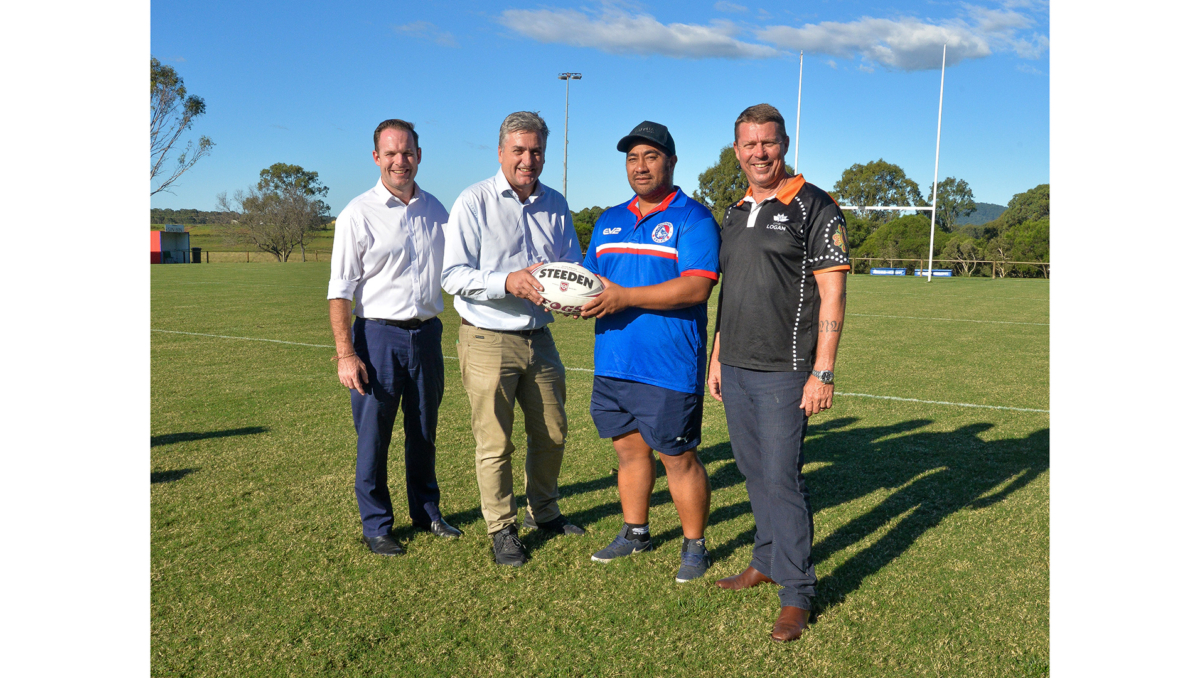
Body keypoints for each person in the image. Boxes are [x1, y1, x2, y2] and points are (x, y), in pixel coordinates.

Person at [707, 104, 850, 641]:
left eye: (768, 143)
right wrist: (719, 356)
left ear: (783, 144)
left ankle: (797, 592)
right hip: (738, 366)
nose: (759, 153)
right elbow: (729, 291)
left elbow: (833, 291)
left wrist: (824, 371)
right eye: (749, 144)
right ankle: (764, 560)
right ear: (736, 150)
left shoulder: (816, 206)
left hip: (787, 370)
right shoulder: (734, 210)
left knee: (782, 479)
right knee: (752, 472)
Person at [442, 111, 586, 568]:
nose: (528, 159)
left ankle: (542, 512)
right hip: (486, 337)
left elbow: (570, 266)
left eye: (536, 151)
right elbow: (453, 275)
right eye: (519, 150)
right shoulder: (474, 201)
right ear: (501, 151)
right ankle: (501, 528)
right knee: (495, 442)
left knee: (553, 432)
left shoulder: (556, 203)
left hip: (539, 337)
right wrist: (509, 282)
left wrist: (570, 295)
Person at [579, 121, 720, 583]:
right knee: (628, 453)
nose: (640, 167)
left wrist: (625, 298)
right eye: (632, 158)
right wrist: (563, 294)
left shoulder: (692, 218)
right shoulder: (609, 218)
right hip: (614, 362)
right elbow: (590, 280)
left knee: (678, 459)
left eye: (651, 157)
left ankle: (694, 545)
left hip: (669, 366)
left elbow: (697, 287)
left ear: (671, 162)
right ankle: (635, 532)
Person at [328, 119, 462, 558]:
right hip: (376, 337)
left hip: (426, 335)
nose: (399, 161)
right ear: (376, 158)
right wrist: (346, 354)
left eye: (407, 153)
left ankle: (427, 513)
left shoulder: (436, 209)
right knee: (374, 436)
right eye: (390, 154)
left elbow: (459, 267)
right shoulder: (357, 213)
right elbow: (340, 290)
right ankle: (377, 525)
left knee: (423, 431)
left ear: (419, 156)